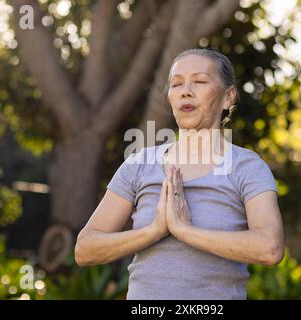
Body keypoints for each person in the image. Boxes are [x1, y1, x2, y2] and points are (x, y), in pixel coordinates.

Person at [75, 48, 284, 300]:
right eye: (176, 84)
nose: (185, 90)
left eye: (199, 81)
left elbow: (270, 248)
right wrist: (153, 231)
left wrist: (184, 231)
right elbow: (85, 250)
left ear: (228, 97)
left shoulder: (247, 167)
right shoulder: (140, 163)